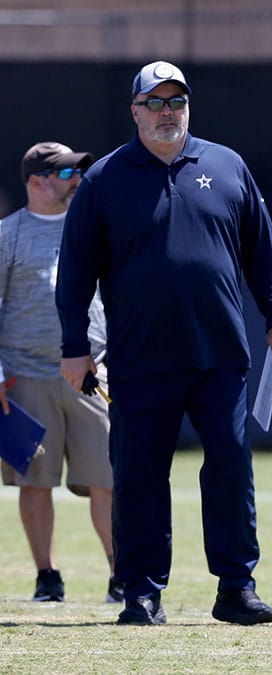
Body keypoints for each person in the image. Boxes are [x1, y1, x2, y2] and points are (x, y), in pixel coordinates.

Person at [55, 60, 272, 626]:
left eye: (177, 102)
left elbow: (263, 251)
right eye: (156, 103)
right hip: (140, 358)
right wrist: (74, 347)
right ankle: (141, 591)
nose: (168, 113)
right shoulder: (105, 179)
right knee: (138, 473)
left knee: (231, 467)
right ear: (135, 110)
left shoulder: (226, 165)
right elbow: (76, 273)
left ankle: (236, 587)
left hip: (219, 356)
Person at [0, 142, 121, 604]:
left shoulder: (92, 228)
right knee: (34, 480)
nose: (77, 179)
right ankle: (46, 576)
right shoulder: (8, 235)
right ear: (37, 181)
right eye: (67, 173)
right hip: (26, 374)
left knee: (107, 477)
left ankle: (121, 574)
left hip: (93, 369)